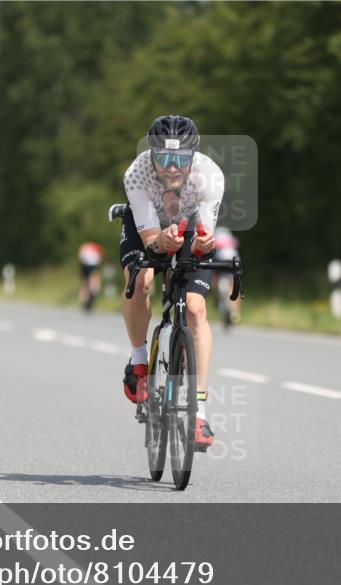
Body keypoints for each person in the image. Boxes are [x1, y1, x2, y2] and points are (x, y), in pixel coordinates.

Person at [119, 114, 223, 448]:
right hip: (147, 228)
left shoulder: (210, 177)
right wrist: (162, 242)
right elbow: (151, 238)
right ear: (151, 156)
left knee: (194, 309)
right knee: (141, 281)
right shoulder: (137, 174)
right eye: (163, 157)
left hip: (188, 224)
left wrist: (204, 243)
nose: (172, 167)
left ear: (193, 158)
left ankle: (199, 413)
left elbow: (205, 232)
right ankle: (138, 362)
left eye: (180, 159)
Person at [212, 227, 241, 327]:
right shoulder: (231, 239)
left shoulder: (215, 236)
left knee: (213, 274)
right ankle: (235, 312)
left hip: (219, 259)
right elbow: (237, 244)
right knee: (233, 283)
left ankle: (216, 295)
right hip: (233, 259)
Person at [77, 241, 104, 312]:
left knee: (86, 282)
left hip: (86, 266)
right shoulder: (95, 248)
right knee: (91, 281)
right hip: (92, 266)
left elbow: (81, 258)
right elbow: (100, 258)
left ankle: (85, 298)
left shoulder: (85, 247)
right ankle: (90, 294)